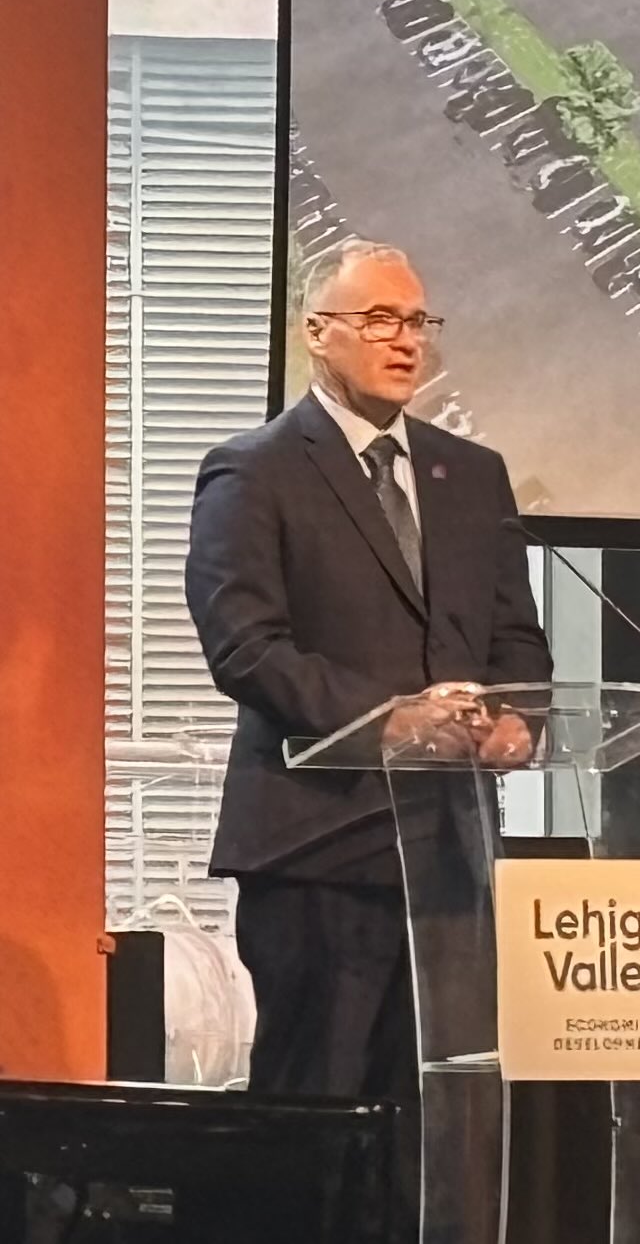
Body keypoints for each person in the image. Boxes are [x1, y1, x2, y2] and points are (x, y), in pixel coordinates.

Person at [185, 239, 551, 1222]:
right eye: (382, 319)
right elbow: (245, 646)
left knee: (435, 1134)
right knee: (316, 1123)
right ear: (318, 332)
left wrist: (517, 717)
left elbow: (516, 638)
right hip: (318, 849)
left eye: (418, 321)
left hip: (451, 857)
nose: (407, 340)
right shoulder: (254, 470)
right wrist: (388, 719)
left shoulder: (472, 475)